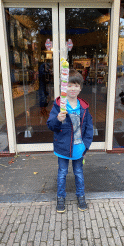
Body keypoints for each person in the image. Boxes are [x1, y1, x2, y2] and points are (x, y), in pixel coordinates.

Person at [47, 69, 93, 213]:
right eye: (69, 85)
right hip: (63, 147)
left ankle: (81, 196)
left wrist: (86, 145)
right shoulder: (58, 105)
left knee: (78, 172)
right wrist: (57, 119)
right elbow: (51, 125)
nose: (72, 88)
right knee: (62, 173)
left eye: (76, 85)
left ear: (80, 88)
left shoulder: (84, 107)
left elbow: (89, 128)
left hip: (79, 147)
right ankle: (60, 197)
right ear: (64, 87)